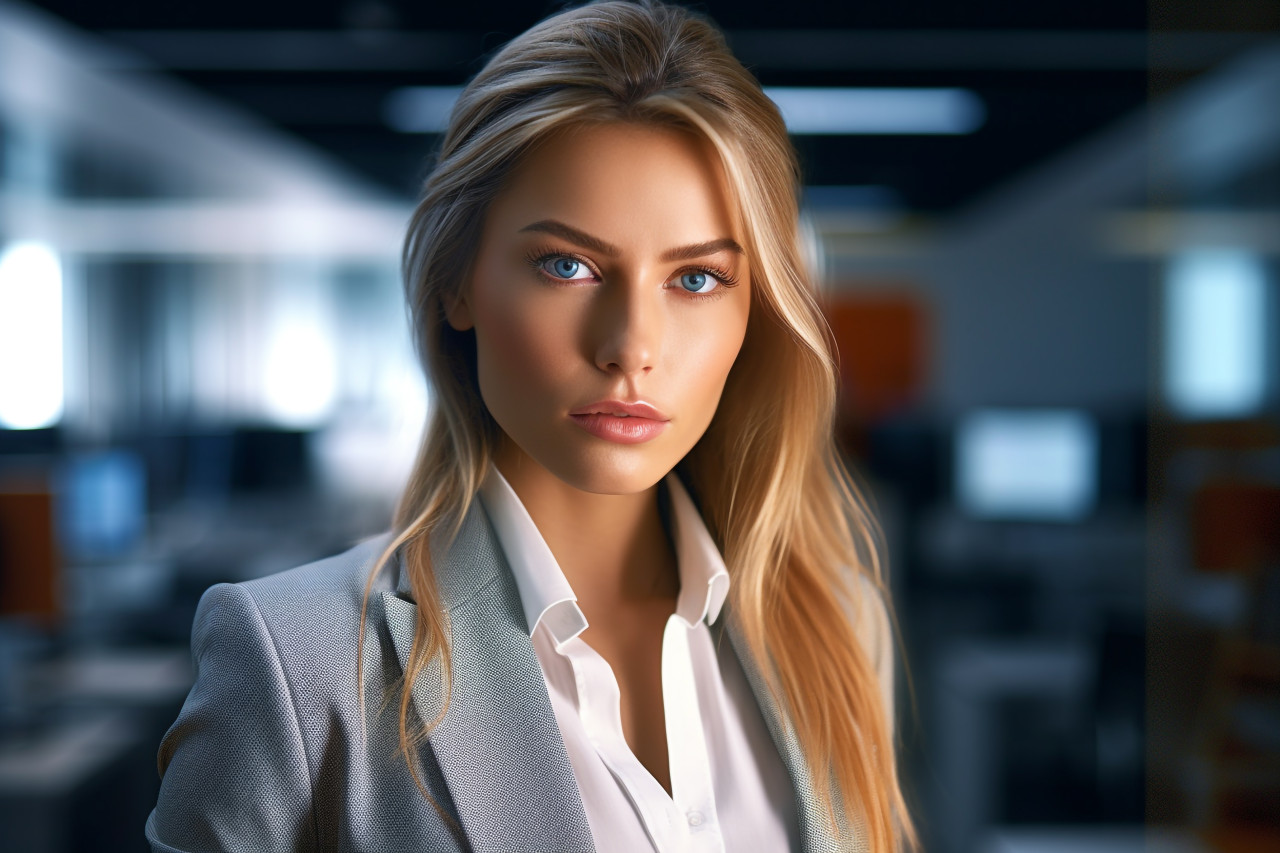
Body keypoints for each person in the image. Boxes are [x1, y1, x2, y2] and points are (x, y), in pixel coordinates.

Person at [145, 2, 915, 851]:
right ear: (458, 284)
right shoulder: (298, 662)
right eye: (568, 265)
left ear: (753, 314)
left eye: (696, 279)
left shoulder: (834, 624)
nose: (630, 348)